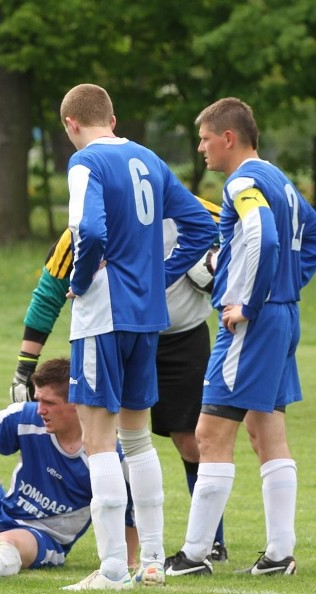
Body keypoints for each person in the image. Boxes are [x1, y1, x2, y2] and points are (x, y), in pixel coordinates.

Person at [58, 83, 217, 590]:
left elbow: (91, 232)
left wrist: (79, 283)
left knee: (98, 442)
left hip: (102, 317)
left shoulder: (85, 164)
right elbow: (200, 226)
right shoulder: (148, 158)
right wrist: (159, 273)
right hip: (148, 319)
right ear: (113, 117)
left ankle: (110, 569)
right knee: (138, 439)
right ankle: (150, 561)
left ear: (70, 125)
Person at [9, 197, 229, 565]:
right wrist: (24, 365)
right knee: (107, 437)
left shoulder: (186, 206)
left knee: (192, 440)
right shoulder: (88, 223)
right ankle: (122, 556)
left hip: (181, 335)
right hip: (117, 333)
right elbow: (49, 293)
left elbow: (249, 232)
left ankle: (208, 543)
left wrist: (217, 260)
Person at [165, 98, 316, 578]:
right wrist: (288, 285)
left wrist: (248, 302)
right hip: (283, 317)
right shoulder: (281, 180)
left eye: (205, 138)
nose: (201, 147)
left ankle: (193, 556)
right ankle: (278, 555)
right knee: (265, 432)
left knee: (209, 434)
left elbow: (263, 237)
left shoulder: (244, 182)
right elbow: (310, 235)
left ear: (228, 138)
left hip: (255, 323)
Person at [0, 358, 137, 580]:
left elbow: (131, 507)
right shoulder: (29, 417)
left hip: (41, 538)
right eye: (38, 400)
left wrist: (129, 560)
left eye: (49, 403)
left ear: (76, 403)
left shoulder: (106, 455)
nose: (40, 410)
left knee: (10, 542)